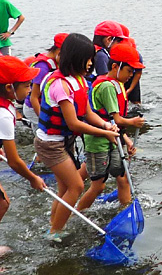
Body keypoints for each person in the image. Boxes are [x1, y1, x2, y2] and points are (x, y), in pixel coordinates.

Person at [33, 33, 119, 241]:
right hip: (50, 144)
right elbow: (73, 123)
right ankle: (54, 232)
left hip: (64, 141)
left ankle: (54, 223)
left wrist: (106, 124)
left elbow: (88, 113)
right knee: (77, 186)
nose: (91, 63)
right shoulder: (60, 85)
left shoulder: (79, 80)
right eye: (87, 59)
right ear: (75, 58)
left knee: (65, 187)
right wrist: (105, 133)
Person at [0, 56, 47, 272]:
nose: (30, 90)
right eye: (27, 85)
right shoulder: (1, 114)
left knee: (1, 204)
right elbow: (14, 161)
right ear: (10, 88)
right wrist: (33, 178)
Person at [78, 44, 145, 211]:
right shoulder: (108, 86)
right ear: (115, 66)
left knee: (123, 177)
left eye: (133, 72)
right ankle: (75, 212)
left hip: (113, 138)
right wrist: (133, 122)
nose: (131, 75)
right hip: (98, 140)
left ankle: (126, 209)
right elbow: (117, 119)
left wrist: (127, 141)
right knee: (98, 185)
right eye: (129, 71)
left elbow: (115, 124)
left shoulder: (118, 84)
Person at [22, 33, 68, 132]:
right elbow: (34, 97)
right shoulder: (43, 67)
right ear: (59, 51)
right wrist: (43, 119)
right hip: (33, 107)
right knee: (42, 131)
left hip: (44, 104)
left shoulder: (54, 61)